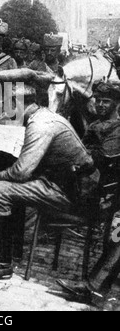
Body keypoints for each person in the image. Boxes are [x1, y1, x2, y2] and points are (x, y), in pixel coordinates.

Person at [0, 82, 99, 281]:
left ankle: (0, 264)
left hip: (73, 194)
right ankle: (10, 250)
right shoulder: (45, 116)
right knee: (10, 189)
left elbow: (21, 172)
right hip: (70, 184)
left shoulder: (40, 125)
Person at [56, 81, 120, 308]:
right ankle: (97, 289)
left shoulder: (116, 130)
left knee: (117, 240)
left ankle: (93, 288)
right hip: (111, 195)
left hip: (107, 193)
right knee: (115, 238)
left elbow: (101, 159)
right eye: (99, 100)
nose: (102, 105)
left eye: (107, 101)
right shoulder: (98, 125)